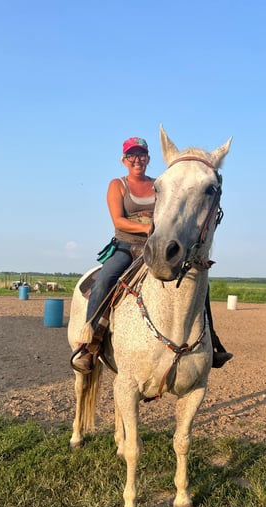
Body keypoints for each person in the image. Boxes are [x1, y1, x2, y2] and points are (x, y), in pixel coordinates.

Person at [71, 136, 233, 374]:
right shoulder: (118, 185)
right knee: (104, 280)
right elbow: (118, 220)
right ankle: (90, 343)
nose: (137, 160)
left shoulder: (163, 182)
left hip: (157, 245)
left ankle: (212, 340)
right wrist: (149, 228)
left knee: (200, 282)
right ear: (124, 160)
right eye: (132, 155)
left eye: (142, 155)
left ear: (148, 158)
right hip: (127, 247)